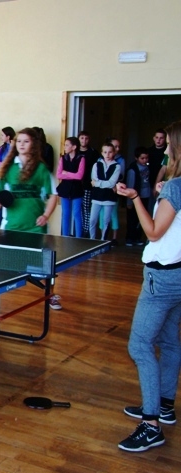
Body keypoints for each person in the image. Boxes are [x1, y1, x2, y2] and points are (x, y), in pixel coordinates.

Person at [115, 120, 181, 453]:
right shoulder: (174, 186)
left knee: (140, 346)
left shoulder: (174, 188)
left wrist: (135, 199)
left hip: (162, 278)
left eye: (168, 144)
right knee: (169, 342)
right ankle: (164, 405)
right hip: (179, 275)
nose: (165, 149)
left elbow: (154, 232)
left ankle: (151, 424)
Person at [0, 127, 61, 310]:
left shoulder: (41, 169)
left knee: (46, 267)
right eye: (19, 141)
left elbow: (53, 195)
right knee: (1, 266)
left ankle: (51, 295)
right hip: (11, 226)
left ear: (34, 145)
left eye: (26, 141)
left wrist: (46, 215)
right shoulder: (8, 169)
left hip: (35, 228)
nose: (22, 144)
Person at [89, 142, 121, 240]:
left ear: (114, 153)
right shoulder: (96, 165)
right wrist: (105, 184)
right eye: (105, 152)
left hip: (109, 198)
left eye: (110, 152)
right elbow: (94, 179)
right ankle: (92, 239)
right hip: (96, 197)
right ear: (102, 153)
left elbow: (112, 183)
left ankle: (103, 240)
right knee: (92, 220)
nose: (107, 154)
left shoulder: (117, 166)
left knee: (106, 221)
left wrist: (98, 183)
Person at [56, 137, 85, 237]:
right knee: (65, 214)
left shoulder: (81, 159)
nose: (65, 147)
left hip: (77, 190)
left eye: (67, 145)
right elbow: (59, 175)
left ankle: (78, 237)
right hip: (65, 189)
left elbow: (79, 176)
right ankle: (65, 236)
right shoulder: (63, 158)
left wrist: (66, 173)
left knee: (76, 214)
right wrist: (72, 175)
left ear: (74, 147)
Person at [124, 147, 151, 246]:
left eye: (146, 158)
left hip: (145, 196)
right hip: (135, 197)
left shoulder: (148, 167)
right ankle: (130, 238)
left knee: (141, 218)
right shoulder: (133, 170)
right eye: (142, 158)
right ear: (136, 158)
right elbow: (130, 185)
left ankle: (138, 237)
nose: (145, 160)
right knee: (132, 219)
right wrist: (129, 201)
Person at [0, 127, 16, 228]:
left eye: (2, 135)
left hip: (12, 181)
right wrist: (4, 165)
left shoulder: (15, 148)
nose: (1, 137)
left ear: (8, 136)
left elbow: (14, 162)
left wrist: (5, 165)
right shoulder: (2, 148)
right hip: (1, 178)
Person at [78, 131, 99, 238]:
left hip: (88, 185)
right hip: (76, 185)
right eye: (82, 138)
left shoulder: (93, 153)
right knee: (78, 209)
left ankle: (86, 231)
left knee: (87, 208)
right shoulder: (75, 151)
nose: (84, 140)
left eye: (86, 138)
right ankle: (79, 229)